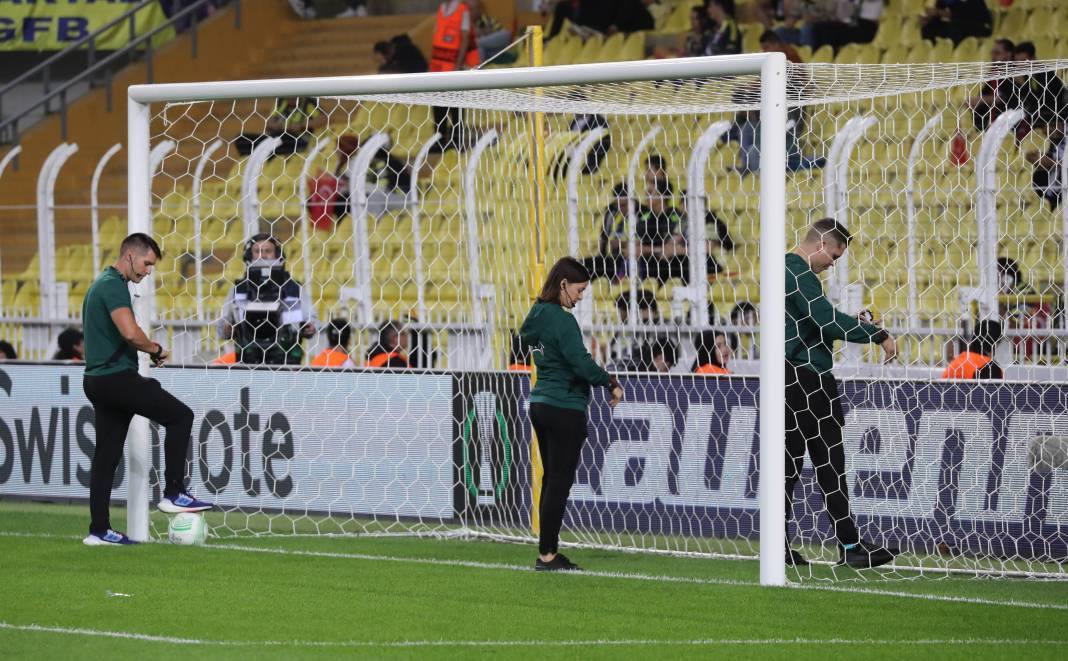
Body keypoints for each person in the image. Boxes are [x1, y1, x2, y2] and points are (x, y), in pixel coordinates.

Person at [80, 233, 212, 546]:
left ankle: (99, 531)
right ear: (130, 256)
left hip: (96, 379)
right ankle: (174, 493)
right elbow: (129, 332)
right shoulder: (113, 285)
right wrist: (154, 349)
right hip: (115, 378)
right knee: (181, 416)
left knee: (106, 456)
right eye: (147, 263)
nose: (148, 271)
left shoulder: (101, 283)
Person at [785, 218, 898, 568]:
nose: (833, 262)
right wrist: (877, 335)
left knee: (790, 464)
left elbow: (818, 321)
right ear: (819, 244)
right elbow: (825, 319)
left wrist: (852, 324)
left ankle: (782, 545)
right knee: (829, 462)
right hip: (807, 378)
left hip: (792, 377)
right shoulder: (795, 269)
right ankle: (850, 547)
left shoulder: (792, 273)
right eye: (834, 254)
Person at [520, 257, 623, 571]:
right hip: (565, 406)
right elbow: (581, 363)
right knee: (559, 482)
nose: (580, 297)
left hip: (540, 403)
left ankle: (547, 551)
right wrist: (610, 381)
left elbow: (524, 338)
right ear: (563, 284)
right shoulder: (563, 320)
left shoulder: (535, 314)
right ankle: (548, 555)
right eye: (578, 290)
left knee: (551, 479)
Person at [219, 234, 317, 365]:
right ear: (249, 255)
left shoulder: (294, 288)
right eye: (257, 251)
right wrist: (227, 330)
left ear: (277, 254)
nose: (262, 255)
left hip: (286, 360)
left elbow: (311, 320)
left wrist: (309, 328)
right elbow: (223, 325)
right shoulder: (238, 289)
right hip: (248, 359)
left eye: (268, 251)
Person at [429, 0, 479, 151]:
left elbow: (464, 37)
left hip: (453, 65)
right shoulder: (442, 8)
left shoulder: (462, 9)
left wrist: (458, 63)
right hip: (438, 66)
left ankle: (457, 142)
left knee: (456, 106)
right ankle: (439, 140)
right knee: (438, 105)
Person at [580, 183, 640, 282]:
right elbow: (604, 236)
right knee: (581, 266)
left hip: (632, 260)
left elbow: (645, 241)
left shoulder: (642, 213)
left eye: (624, 205)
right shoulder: (611, 213)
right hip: (611, 259)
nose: (621, 208)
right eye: (618, 205)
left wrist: (621, 244)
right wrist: (601, 253)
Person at [234, 97, 325, 158]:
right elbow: (269, 123)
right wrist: (282, 126)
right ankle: (267, 154)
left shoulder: (307, 103)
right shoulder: (281, 102)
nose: (290, 98)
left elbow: (323, 118)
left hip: (297, 140)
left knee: (281, 137)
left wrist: (302, 125)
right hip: (276, 137)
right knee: (241, 138)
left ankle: (268, 153)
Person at [1012, 42, 1068, 140]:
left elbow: (1045, 102)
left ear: (1033, 58)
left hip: (1054, 119)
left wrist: (1023, 85)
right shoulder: (1024, 76)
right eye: (1017, 62)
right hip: (1036, 120)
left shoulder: (1047, 75)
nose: (1020, 65)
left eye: (1023, 61)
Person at [966, 39, 1016, 132]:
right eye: (992, 53)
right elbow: (984, 95)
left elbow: (1006, 98)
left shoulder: (1014, 74)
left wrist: (981, 100)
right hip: (992, 126)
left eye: (997, 53)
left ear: (1008, 54)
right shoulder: (993, 74)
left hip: (1010, 125)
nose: (993, 56)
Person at [1026, 116, 1066, 210]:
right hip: (1049, 195)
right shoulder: (1045, 144)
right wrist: (1059, 163)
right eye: (1048, 126)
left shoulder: (1064, 143)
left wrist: (1054, 163)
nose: (1049, 130)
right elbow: (1031, 157)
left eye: (1053, 125)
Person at [920, 0, 992, 45]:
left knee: (955, 25)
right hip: (958, 25)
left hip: (980, 25)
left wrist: (940, 12)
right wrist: (928, 19)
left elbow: (967, 14)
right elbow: (938, 13)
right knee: (928, 27)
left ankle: (956, 52)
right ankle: (934, 52)